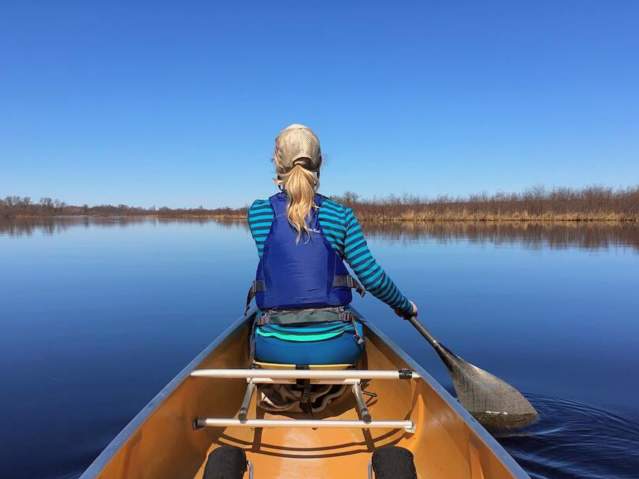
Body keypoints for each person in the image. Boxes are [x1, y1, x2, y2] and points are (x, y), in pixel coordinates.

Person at [247, 124, 417, 367]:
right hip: (337, 348)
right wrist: (404, 306)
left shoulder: (258, 213)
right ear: (319, 164)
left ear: (277, 163)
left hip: (274, 348)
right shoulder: (341, 215)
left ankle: (274, 392)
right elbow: (373, 279)